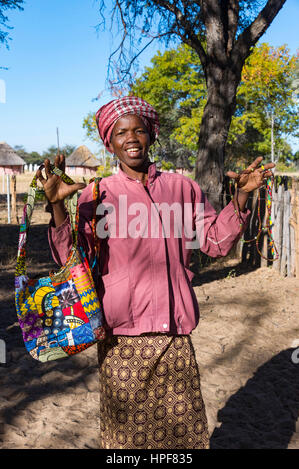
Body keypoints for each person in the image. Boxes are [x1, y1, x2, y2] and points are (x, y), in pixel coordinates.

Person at [37, 96, 274, 450]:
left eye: (139, 130)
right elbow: (70, 259)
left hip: (174, 333)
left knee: (184, 439)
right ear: (109, 142)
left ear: (151, 135)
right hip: (121, 338)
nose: (131, 139)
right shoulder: (97, 194)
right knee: (127, 442)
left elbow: (214, 242)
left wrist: (240, 198)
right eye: (121, 133)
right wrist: (57, 206)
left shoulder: (182, 188)